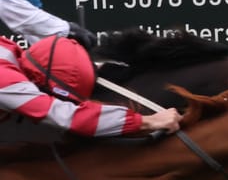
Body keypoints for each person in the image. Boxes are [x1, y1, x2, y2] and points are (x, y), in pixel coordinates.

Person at [0, 33, 181, 140]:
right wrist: (147, 121)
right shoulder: (8, 84)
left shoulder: (12, 53)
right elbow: (66, 116)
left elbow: (70, 67)